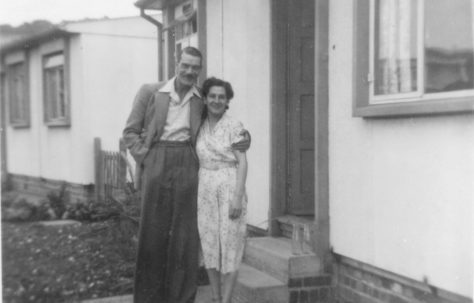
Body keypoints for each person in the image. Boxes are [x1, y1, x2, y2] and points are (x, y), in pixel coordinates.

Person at [122, 47, 249, 303]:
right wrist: (146, 157)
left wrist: (245, 138)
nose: (190, 71)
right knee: (152, 232)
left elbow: (219, 117)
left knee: (185, 236)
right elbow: (130, 132)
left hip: (188, 164)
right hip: (157, 159)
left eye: (195, 68)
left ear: (199, 71)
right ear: (176, 63)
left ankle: (180, 298)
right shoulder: (151, 92)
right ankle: (148, 298)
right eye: (186, 65)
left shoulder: (200, 98)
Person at [196, 77, 248, 303]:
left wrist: (237, 197)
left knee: (230, 245)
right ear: (205, 99)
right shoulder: (198, 125)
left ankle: (226, 301)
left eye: (221, 97)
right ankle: (216, 299)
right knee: (210, 245)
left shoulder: (234, 126)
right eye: (212, 96)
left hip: (229, 186)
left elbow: (243, 162)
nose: (217, 100)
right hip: (205, 188)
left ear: (227, 101)